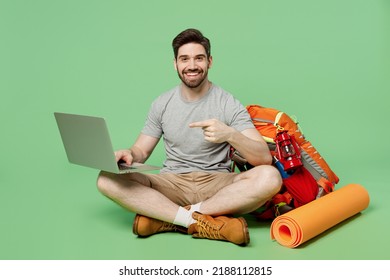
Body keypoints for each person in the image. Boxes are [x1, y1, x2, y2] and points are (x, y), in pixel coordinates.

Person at [97, 28, 282, 246]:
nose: (192, 65)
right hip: (171, 183)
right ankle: (200, 221)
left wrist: (230, 134)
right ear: (175, 63)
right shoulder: (162, 103)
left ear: (210, 62)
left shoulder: (227, 102)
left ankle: (171, 218)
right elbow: (141, 152)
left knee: (270, 177)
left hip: (218, 185)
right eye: (184, 59)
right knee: (106, 178)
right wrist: (128, 153)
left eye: (199, 58)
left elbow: (263, 158)